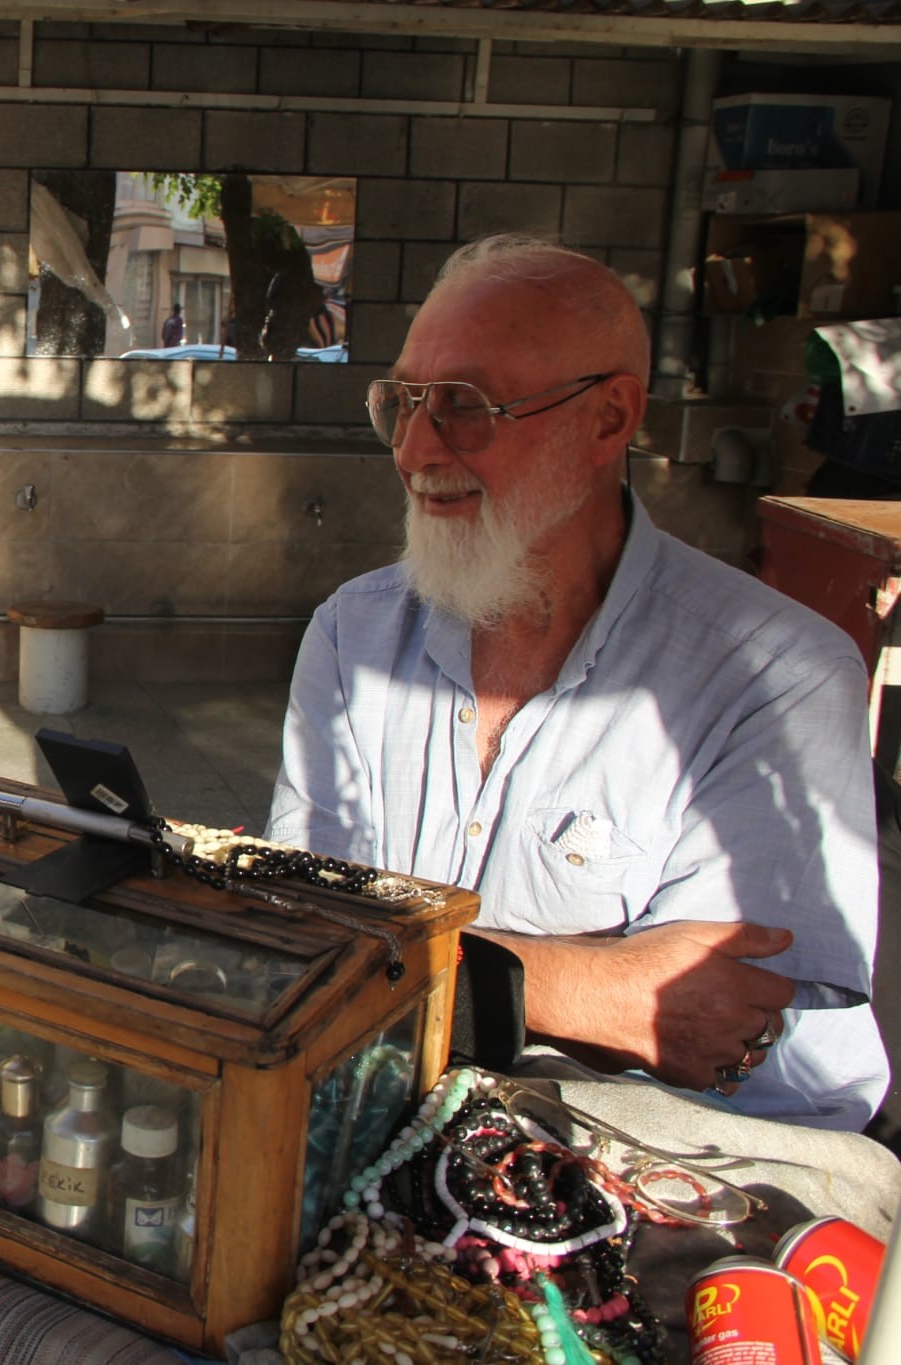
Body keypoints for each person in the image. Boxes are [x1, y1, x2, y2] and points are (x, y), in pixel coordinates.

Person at [266, 235, 885, 1131]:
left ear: (609, 418)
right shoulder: (354, 633)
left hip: (698, 1174)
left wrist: (396, 965)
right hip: (402, 1129)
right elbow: (301, 928)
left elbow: (713, 1028)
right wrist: (579, 987)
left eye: (466, 406)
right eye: (401, 403)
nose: (414, 449)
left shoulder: (777, 673)